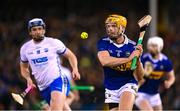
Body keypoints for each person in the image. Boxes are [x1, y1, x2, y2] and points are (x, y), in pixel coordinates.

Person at [19, 18, 80, 110]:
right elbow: (24, 68)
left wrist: (75, 69)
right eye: (34, 30)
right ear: (30, 32)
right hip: (43, 88)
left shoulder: (53, 42)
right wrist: (28, 78)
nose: (37, 32)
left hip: (58, 81)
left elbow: (71, 56)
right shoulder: (25, 48)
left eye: (40, 29)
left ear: (44, 30)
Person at [97, 14, 144, 110]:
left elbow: (139, 77)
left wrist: (138, 60)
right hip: (111, 87)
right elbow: (104, 61)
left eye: (113, 26)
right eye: (108, 26)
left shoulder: (132, 46)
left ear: (122, 28)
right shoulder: (103, 42)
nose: (109, 29)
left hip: (128, 84)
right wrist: (129, 59)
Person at [135, 36, 175, 111]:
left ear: (160, 47)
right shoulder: (143, 58)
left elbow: (172, 77)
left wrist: (169, 82)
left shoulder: (165, 61)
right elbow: (134, 74)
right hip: (141, 93)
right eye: (150, 45)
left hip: (155, 94)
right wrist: (143, 75)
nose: (151, 48)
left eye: (154, 46)